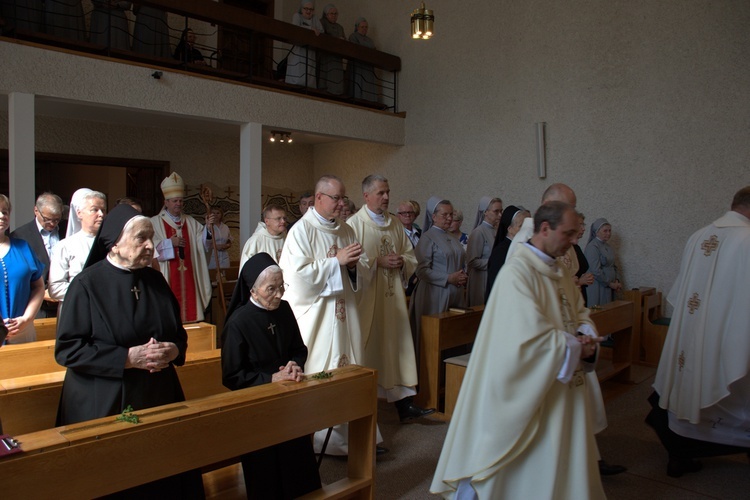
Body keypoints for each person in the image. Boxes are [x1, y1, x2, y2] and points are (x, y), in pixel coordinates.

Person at [431, 201, 605, 499]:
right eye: (569, 234)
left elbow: (578, 311)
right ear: (546, 229)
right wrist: (574, 346)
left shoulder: (559, 270)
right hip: (524, 390)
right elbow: (525, 340)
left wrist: (587, 334)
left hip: (559, 384)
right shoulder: (518, 273)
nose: (574, 242)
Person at [54, 204, 204, 497]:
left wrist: (173, 350)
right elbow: (68, 350)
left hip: (158, 394)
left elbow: (178, 335)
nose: (150, 245)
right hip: (105, 399)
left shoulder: (155, 280)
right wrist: (125, 358)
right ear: (115, 243)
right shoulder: (86, 285)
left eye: (151, 237)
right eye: (141, 238)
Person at [647, 186, 750, 478]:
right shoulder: (747, 240)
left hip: (691, 335)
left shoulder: (699, 234)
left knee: (687, 389)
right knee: (731, 391)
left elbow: (683, 295)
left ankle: (679, 455)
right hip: (725, 336)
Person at [279, 175, 381, 455]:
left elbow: (359, 269)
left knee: (350, 369)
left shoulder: (346, 230)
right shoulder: (301, 232)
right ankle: (322, 438)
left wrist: (349, 267)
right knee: (321, 369)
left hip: (345, 314)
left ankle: (355, 437)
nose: (341, 204)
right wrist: (336, 262)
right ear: (319, 198)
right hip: (318, 317)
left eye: (343, 198)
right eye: (336, 198)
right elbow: (296, 279)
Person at [221, 253, 322, 499]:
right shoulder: (237, 323)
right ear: (253, 290)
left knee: (298, 466)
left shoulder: (284, 309)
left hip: (288, 402)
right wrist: (270, 380)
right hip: (256, 408)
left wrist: (295, 365)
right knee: (266, 474)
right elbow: (232, 376)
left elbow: (299, 349)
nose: (279, 294)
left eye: (281, 286)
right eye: (271, 289)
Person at [347, 175, 435, 423]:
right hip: (368, 301)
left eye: (388, 192)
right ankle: (364, 410)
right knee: (371, 350)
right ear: (366, 196)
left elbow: (410, 255)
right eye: (380, 193)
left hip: (393, 298)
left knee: (397, 347)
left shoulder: (395, 224)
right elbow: (352, 264)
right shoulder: (354, 225)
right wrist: (377, 262)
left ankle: (405, 405)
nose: (386, 197)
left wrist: (402, 262)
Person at [150, 172, 213, 323]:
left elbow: (201, 244)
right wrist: (170, 243)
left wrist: (208, 229)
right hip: (168, 273)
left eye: (181, 201)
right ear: (166, 202)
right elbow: (152, 249)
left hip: (190, 272)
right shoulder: (154, 222)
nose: (178, 204)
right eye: (175, 201)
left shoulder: (190, 221)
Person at [408, 199, 466, 357]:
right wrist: (448, 278)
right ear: (434, 217)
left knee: (452, 336)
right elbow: (421, 270)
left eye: (451, 214)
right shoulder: (427, 238)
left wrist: (461, 276)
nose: (449, 218)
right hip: (434, 294)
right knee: (435, 338)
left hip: (454, 292)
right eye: (444, 214)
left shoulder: (452, 236)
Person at [48, 189, 106, 309]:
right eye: (94, 209)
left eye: (103, 210)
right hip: (76, 307)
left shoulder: (112, 244)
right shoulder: (65, 246)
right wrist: (91, 290)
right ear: (79, 213)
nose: (101, 214)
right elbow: (55, 288)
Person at [10, 192, 65, 317]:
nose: (52, 223)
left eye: (56, 219)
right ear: (36, 210)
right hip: (37, 306)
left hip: (64, 303)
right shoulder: (20, 237)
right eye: (47, 219)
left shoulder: (67, 231)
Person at [0, 195, 45, 344]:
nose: (2, 216)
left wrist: (26, 318)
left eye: (5, 212)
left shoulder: (23, 247)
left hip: (22, 331)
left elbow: (38, 286)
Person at [485, 205, 530, 302]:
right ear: (510, 229)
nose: (526, 230)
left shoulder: (523, 248)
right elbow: (497, 285)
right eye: (521, 226)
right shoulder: (500, 252)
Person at [465, 196, 502, 306]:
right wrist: (494, 262)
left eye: (501, 211)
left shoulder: (497, 230)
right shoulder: (478, 232)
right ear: (485, 212)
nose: (500, 215)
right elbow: (472, 261)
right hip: (481, 280)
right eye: (496, 211)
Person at [584, 218, 621, 307]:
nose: (608, 233)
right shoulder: (592, 247)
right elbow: (595, 270)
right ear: (597, 232)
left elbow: (614, 266)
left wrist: (617, 280)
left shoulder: (608, 246)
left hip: (610, 286)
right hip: (598, 286)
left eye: (609, 230)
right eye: (605, 231)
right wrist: (609, 283)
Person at [285, 1, 323, 88]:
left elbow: (321, 31)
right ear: (301, 9)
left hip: (310, 51)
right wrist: (310, 29)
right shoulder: (297, 16)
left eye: (311, 9)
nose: (308, 11)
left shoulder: (315, 18)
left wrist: (314, 30)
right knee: (298, 70)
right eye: (306, 9)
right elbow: (295, 27)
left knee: (309, 72)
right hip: (299, 49)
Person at [239, 204, 287, 269]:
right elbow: (246, 270)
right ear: (267, 221)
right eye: (278, 218)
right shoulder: (256, 240)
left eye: (284, 218)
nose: (283, 221)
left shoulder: (287, 238)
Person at [348, 17, 378, 102]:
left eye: (366, 27)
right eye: (362, 27)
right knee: (358, 83)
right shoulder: (353, 36)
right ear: (357, 27)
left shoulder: (370, 40)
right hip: (358, 65)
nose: (364, 29)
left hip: (368, 66)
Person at [318, 4, 346, 95]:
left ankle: (337, 91)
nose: (334, 15)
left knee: (336, 76)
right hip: (326, 55)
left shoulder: (340, 27)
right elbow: (322, 37)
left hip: (337, 57)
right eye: (331, 13)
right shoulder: (322, 22)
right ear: (326, 15)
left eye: (336, 13)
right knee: (326, 75)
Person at [396, 200, 421, 296]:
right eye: (403, 213)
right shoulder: (397, 235)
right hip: (408, 282)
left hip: (423, 278)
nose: (407, 215)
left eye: (410, 212)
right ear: (398, 216)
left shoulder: (420, 233)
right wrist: (412, 279)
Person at [573, 212, 595, 304]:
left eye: (583, 224)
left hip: (581, 292)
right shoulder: (564, 250)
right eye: (580, 225)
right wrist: (580, 281)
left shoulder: (576, 247)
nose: (584, 229)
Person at [204, 206, 232, 270]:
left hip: (224, 257)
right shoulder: (208, 227)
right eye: (213, 213)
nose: (215, 215)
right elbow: (205, 243)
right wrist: (216, 246)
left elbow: (229, 239)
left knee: (225, 276)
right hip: (212, 257)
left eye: (218, 213)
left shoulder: (225, 227)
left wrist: (227, 245)